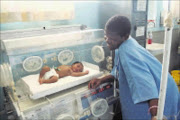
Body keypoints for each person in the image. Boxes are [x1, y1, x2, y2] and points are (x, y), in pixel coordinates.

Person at [88, 15, 179, 120]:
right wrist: (101, 80)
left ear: (125, 36)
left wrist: (155, 114)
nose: (108, 40)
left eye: (112, 38)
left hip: (161, 96)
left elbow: (145, 84)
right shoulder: (123, 45)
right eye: (106, 36)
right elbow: (118, 71)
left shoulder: (127, 51)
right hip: (165, 87)